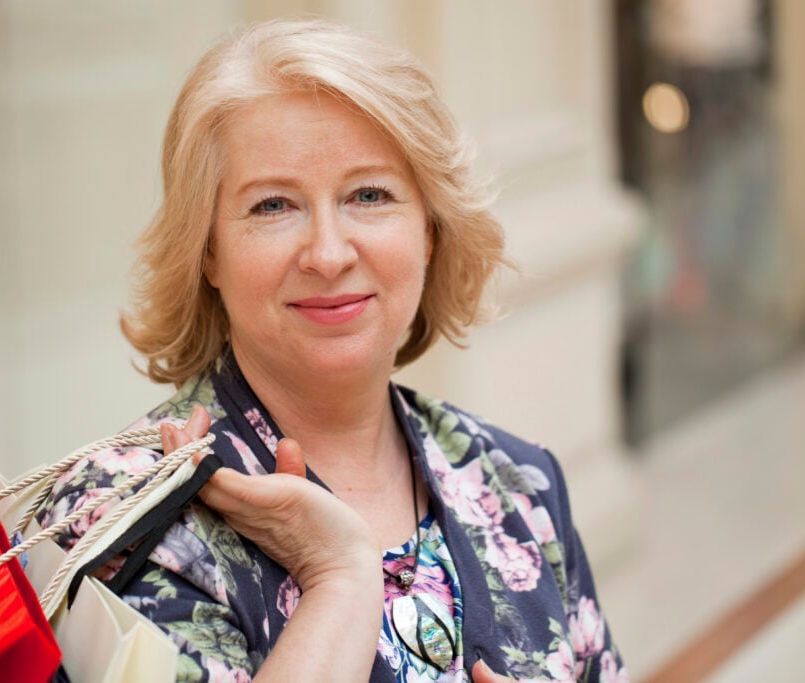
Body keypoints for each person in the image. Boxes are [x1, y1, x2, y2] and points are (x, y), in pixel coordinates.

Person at [41, 18, 628, 683]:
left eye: (369, 195)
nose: (327, 253)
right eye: (273, 206)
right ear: (208, 251)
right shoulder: (126, 518)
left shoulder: (519, 483)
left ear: (430, 230)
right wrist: (340, 579)